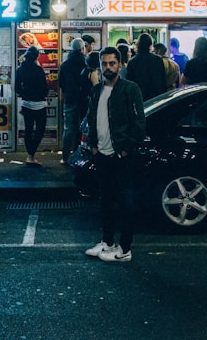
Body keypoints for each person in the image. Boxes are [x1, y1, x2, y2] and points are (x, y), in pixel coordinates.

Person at [85, 46, 145, 262]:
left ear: (120, 65)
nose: (108, 67)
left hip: (122, 157)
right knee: (106, 201)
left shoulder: (130, 89)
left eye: (112, 63)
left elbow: (139, 124)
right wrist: (93, 146)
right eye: (104, 64)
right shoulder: (96, 91)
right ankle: (107, 242)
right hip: (102, 155)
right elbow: (92, 120)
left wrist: (124, 150)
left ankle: (125, 249)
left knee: (126, 203)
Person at [15, 46, 48, 166]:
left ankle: (30, 155)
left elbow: (17, 87)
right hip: (39, 104)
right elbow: (44, 88)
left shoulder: (21, 68)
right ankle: (31, 155)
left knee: (28, 129)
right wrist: (40, 95)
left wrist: (25, 95)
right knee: (40, 130)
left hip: (26, 103)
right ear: (37, 56)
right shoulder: (38, 70)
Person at [58, 37, 86, 165]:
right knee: (83, 128)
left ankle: (65, 157)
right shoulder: (86, 63)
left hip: (69, 99)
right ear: (82, 49)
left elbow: (61, 83)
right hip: (83, 100)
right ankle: (79, 154)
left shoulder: (65, 64)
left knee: (69, 128)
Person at [126, 33, 167, 101]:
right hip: (156, 98)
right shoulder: (158, 60)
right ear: (150, 45)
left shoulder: (132, 62)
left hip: (139, 98)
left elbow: (129, 84)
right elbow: (163, 82)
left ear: (138, 45)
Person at [79, 51, 101, 118]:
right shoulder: (93, 73)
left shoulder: (85, 70)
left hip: (83, 102)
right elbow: (97, 89)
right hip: (90, 103)